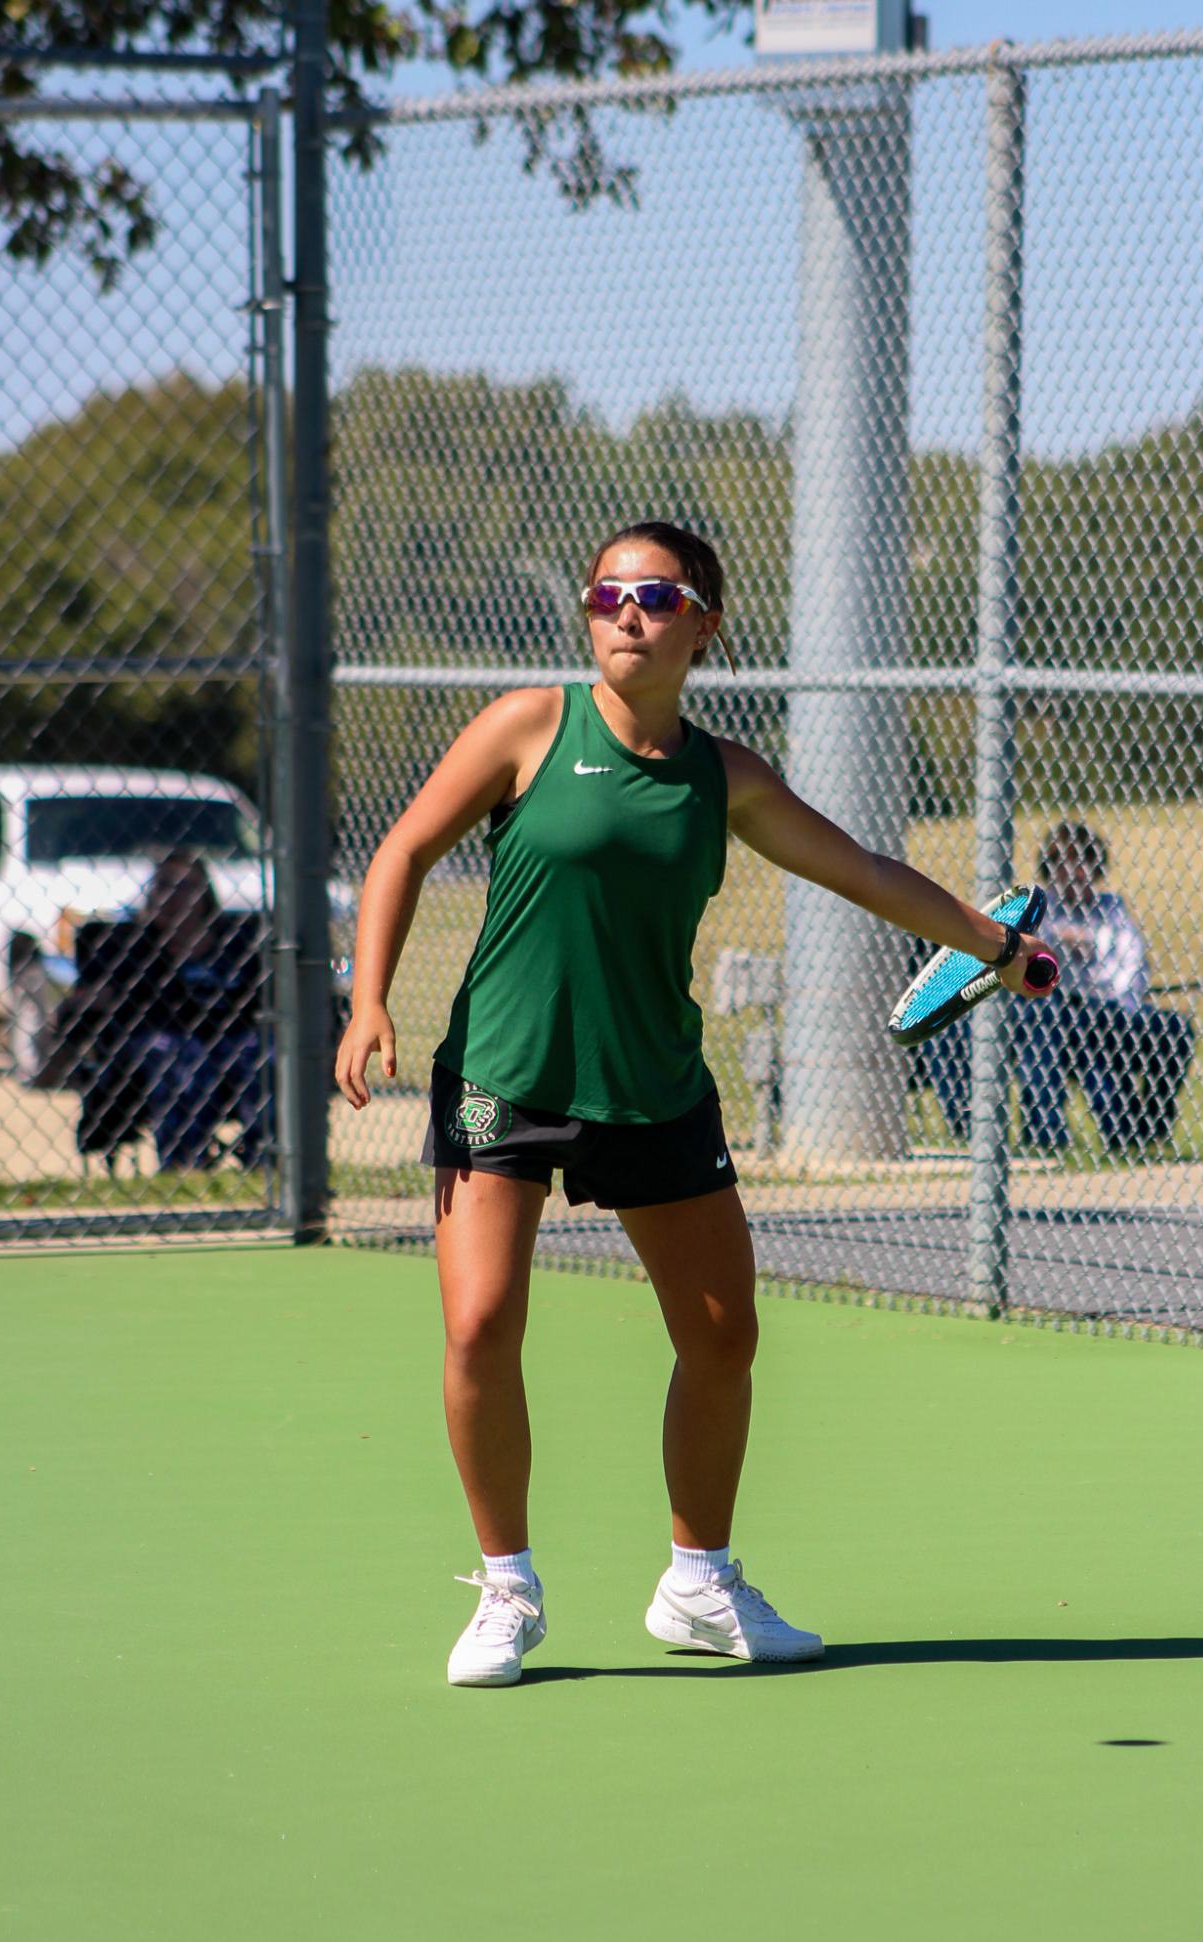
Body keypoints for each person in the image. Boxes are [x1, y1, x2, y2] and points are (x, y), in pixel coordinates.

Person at [335, 520, 1053, 1688]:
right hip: (503, 1074)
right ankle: (506, 1589)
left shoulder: (726, 777)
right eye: (606, 589)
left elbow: (861, 871)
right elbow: (404, 850)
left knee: (722, 1336)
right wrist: (368, 1001)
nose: (626, 611)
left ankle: (699, 1583)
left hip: (653, 1084)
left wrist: (992, 944)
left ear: (701, 626)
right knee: (478, 1325)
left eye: (655, 595)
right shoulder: (526, 726)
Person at [925, 821, 1195, 1153]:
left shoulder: (1111, 909)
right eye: (1061, 864)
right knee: (1054, 1024)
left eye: (1081, 863)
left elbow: (1132, 970)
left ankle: (1152, 1122)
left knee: (1176, 1028)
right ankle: (1050, 1134)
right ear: (1049, 868)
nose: (1072, 872)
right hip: (1055, 1012)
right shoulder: (1039, 910)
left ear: (1095, 867)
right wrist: (1057, 942)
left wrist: (1093, 943)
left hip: (1112, 1010)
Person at [54, 851, 270, 1171]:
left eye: (182, 887)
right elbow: (81, 1009)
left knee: (261, 1052)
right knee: (179, 1055)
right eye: (161, 886)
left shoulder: (236, 944)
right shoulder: (127, 948)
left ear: (204, 895)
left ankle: (268, 1163)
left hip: (229, 1042)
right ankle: (183, 1166)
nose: (170, 897)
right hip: (158, 1048)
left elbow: (259, 1000)